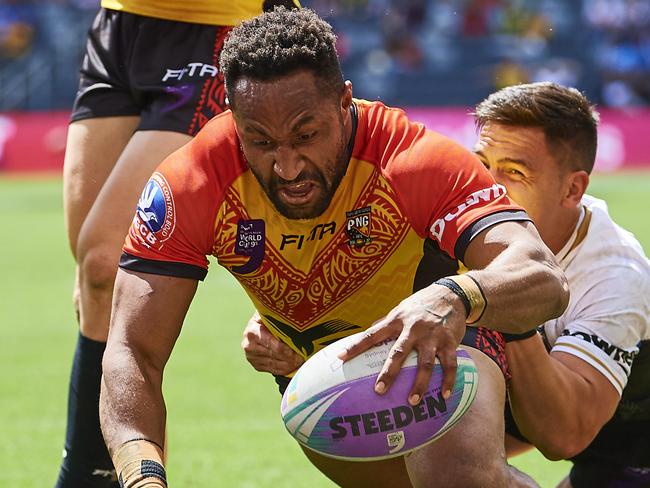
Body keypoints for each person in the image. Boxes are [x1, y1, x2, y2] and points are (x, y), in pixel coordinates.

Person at [100, 8, 569, 487]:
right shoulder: (192, 181)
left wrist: (455, 296)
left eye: (307, 135)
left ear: (344, 101)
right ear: (232, 117)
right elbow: (133, 350)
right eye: (259, 141)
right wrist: (143, 479)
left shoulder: (411, 160)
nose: (287, 166)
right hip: (323, 380)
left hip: (447, 341)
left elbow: (544, 277)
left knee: (454, 479)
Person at [57, 1, 300, 486]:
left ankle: (84, 477)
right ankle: (135, 474)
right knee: (94, 281)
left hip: (215, 27)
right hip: (119, 25)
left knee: (108, 261)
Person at [472, 82, 650, 488]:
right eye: (482, 164)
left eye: (514, 172)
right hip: (600, 458)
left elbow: (563, 434)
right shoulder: (472, 227)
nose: (487, 187)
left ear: (573, 189)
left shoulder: (614, 276)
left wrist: (512, 305)